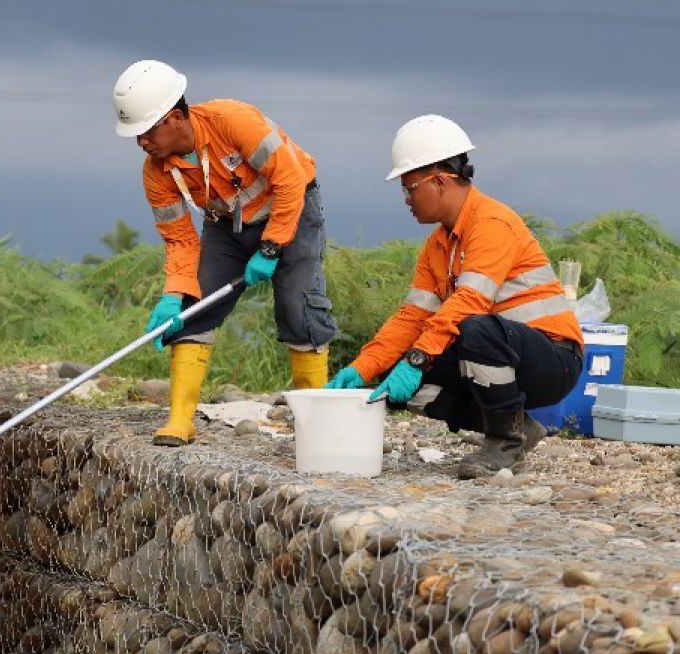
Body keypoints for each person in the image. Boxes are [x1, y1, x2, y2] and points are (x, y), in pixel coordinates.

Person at [326, 114, 583, 478]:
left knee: (472, 330)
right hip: (499, 353)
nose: (406, 199)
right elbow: (411, 318)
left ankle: (504, 447)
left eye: (410, 188)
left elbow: (470, 303)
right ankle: (517, 428)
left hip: (553, 359)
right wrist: (362, 367)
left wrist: (416, 359)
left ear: (439, 181)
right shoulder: (437, 245)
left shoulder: (491, 224)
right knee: (401, 378)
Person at [113, 59, 337, 447]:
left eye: (147, 131)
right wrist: (172, 297)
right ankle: (180, 421)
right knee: (194, 309)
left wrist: (271, 246)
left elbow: (289, 179)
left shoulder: (233, 121)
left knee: (298, 310)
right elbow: (180, 240)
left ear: (174, 117)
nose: (141, 142)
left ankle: (317, 428)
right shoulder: (155, 173)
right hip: (227, 225)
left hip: (293, 210)